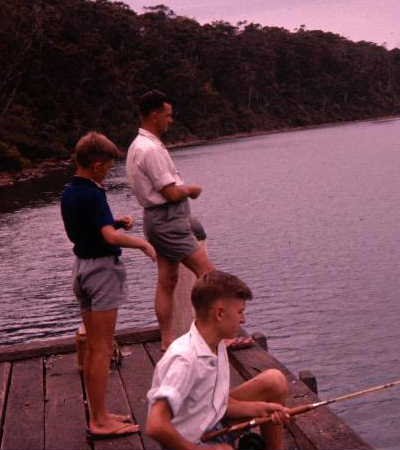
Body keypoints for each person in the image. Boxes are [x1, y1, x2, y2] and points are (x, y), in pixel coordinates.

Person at [61, 131, 156, 440]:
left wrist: (115, 223)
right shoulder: (94, 192)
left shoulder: (69, 191)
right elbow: (110, 239)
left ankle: (100, 413)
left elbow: (87, 231)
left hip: (81, 270)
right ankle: (100, 422)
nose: (110, 171)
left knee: (93, 347)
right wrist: (142, 243)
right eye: (109, 166)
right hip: (102, 272)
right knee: (102, 348)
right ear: (98, 164)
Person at [146, 270, 290, 450]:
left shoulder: (217, 343)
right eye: (240, 312)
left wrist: (263, 409)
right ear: (220, 314)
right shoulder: (184, 359)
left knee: (274, 381)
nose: (243, 320)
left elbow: (217, 404)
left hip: (212, 424)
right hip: (184, 444)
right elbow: (156, 425)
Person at [126, 90, 216, 351]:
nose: (170, 120)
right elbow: (170, 192)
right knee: (210, 275)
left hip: (156, 220)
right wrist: (191, 189)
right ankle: (211, 335)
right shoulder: (150, 149)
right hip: (168, 220)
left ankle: (168, 339)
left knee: (167, 280)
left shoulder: (137, 146)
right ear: (154, 116)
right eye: (167, 115)